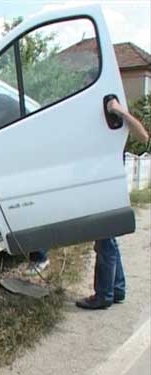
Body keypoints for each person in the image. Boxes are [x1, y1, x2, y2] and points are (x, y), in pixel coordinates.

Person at [76, 98, 150, 310]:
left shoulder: (111, 109)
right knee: (109, 239)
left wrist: (119, 110)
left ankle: (103, 295)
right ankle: (117, 289)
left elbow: (143, 136)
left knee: (104, 240)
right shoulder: (92, 117)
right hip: (102, 182)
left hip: (107, 183)